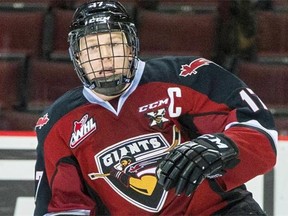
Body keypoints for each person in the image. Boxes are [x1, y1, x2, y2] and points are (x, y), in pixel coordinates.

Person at [33, 1, 277, 215]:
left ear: (131, 46)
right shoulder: (57, 123)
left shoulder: (189, 76)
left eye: (114, 44)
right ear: (77, 56)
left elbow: (260, 132)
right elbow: (62, 207)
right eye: (92, 48)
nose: (104, 57)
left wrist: (221, 147)